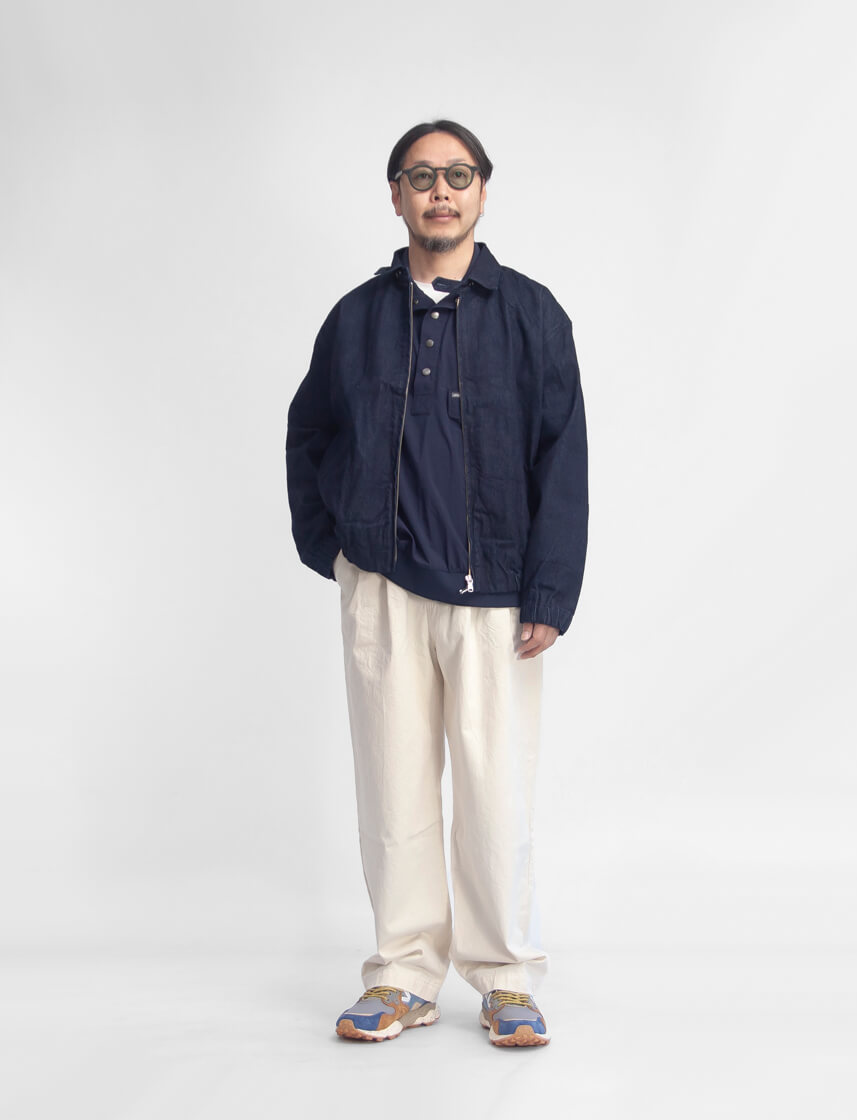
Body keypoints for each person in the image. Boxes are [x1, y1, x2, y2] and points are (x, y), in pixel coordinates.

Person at [286, 120, 587, 1048]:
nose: (441, 191)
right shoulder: (355, 319)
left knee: (496, 799)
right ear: (396, 196)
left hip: (496, 598)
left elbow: (563, 457)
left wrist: (549, 592)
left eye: (458, 175)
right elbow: (309, 433)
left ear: (483, 191)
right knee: (394, 795)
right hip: (384, 593)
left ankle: (505, 979)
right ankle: (404, 975)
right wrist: (338, 551)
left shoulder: (532, 315)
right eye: (422, 176)